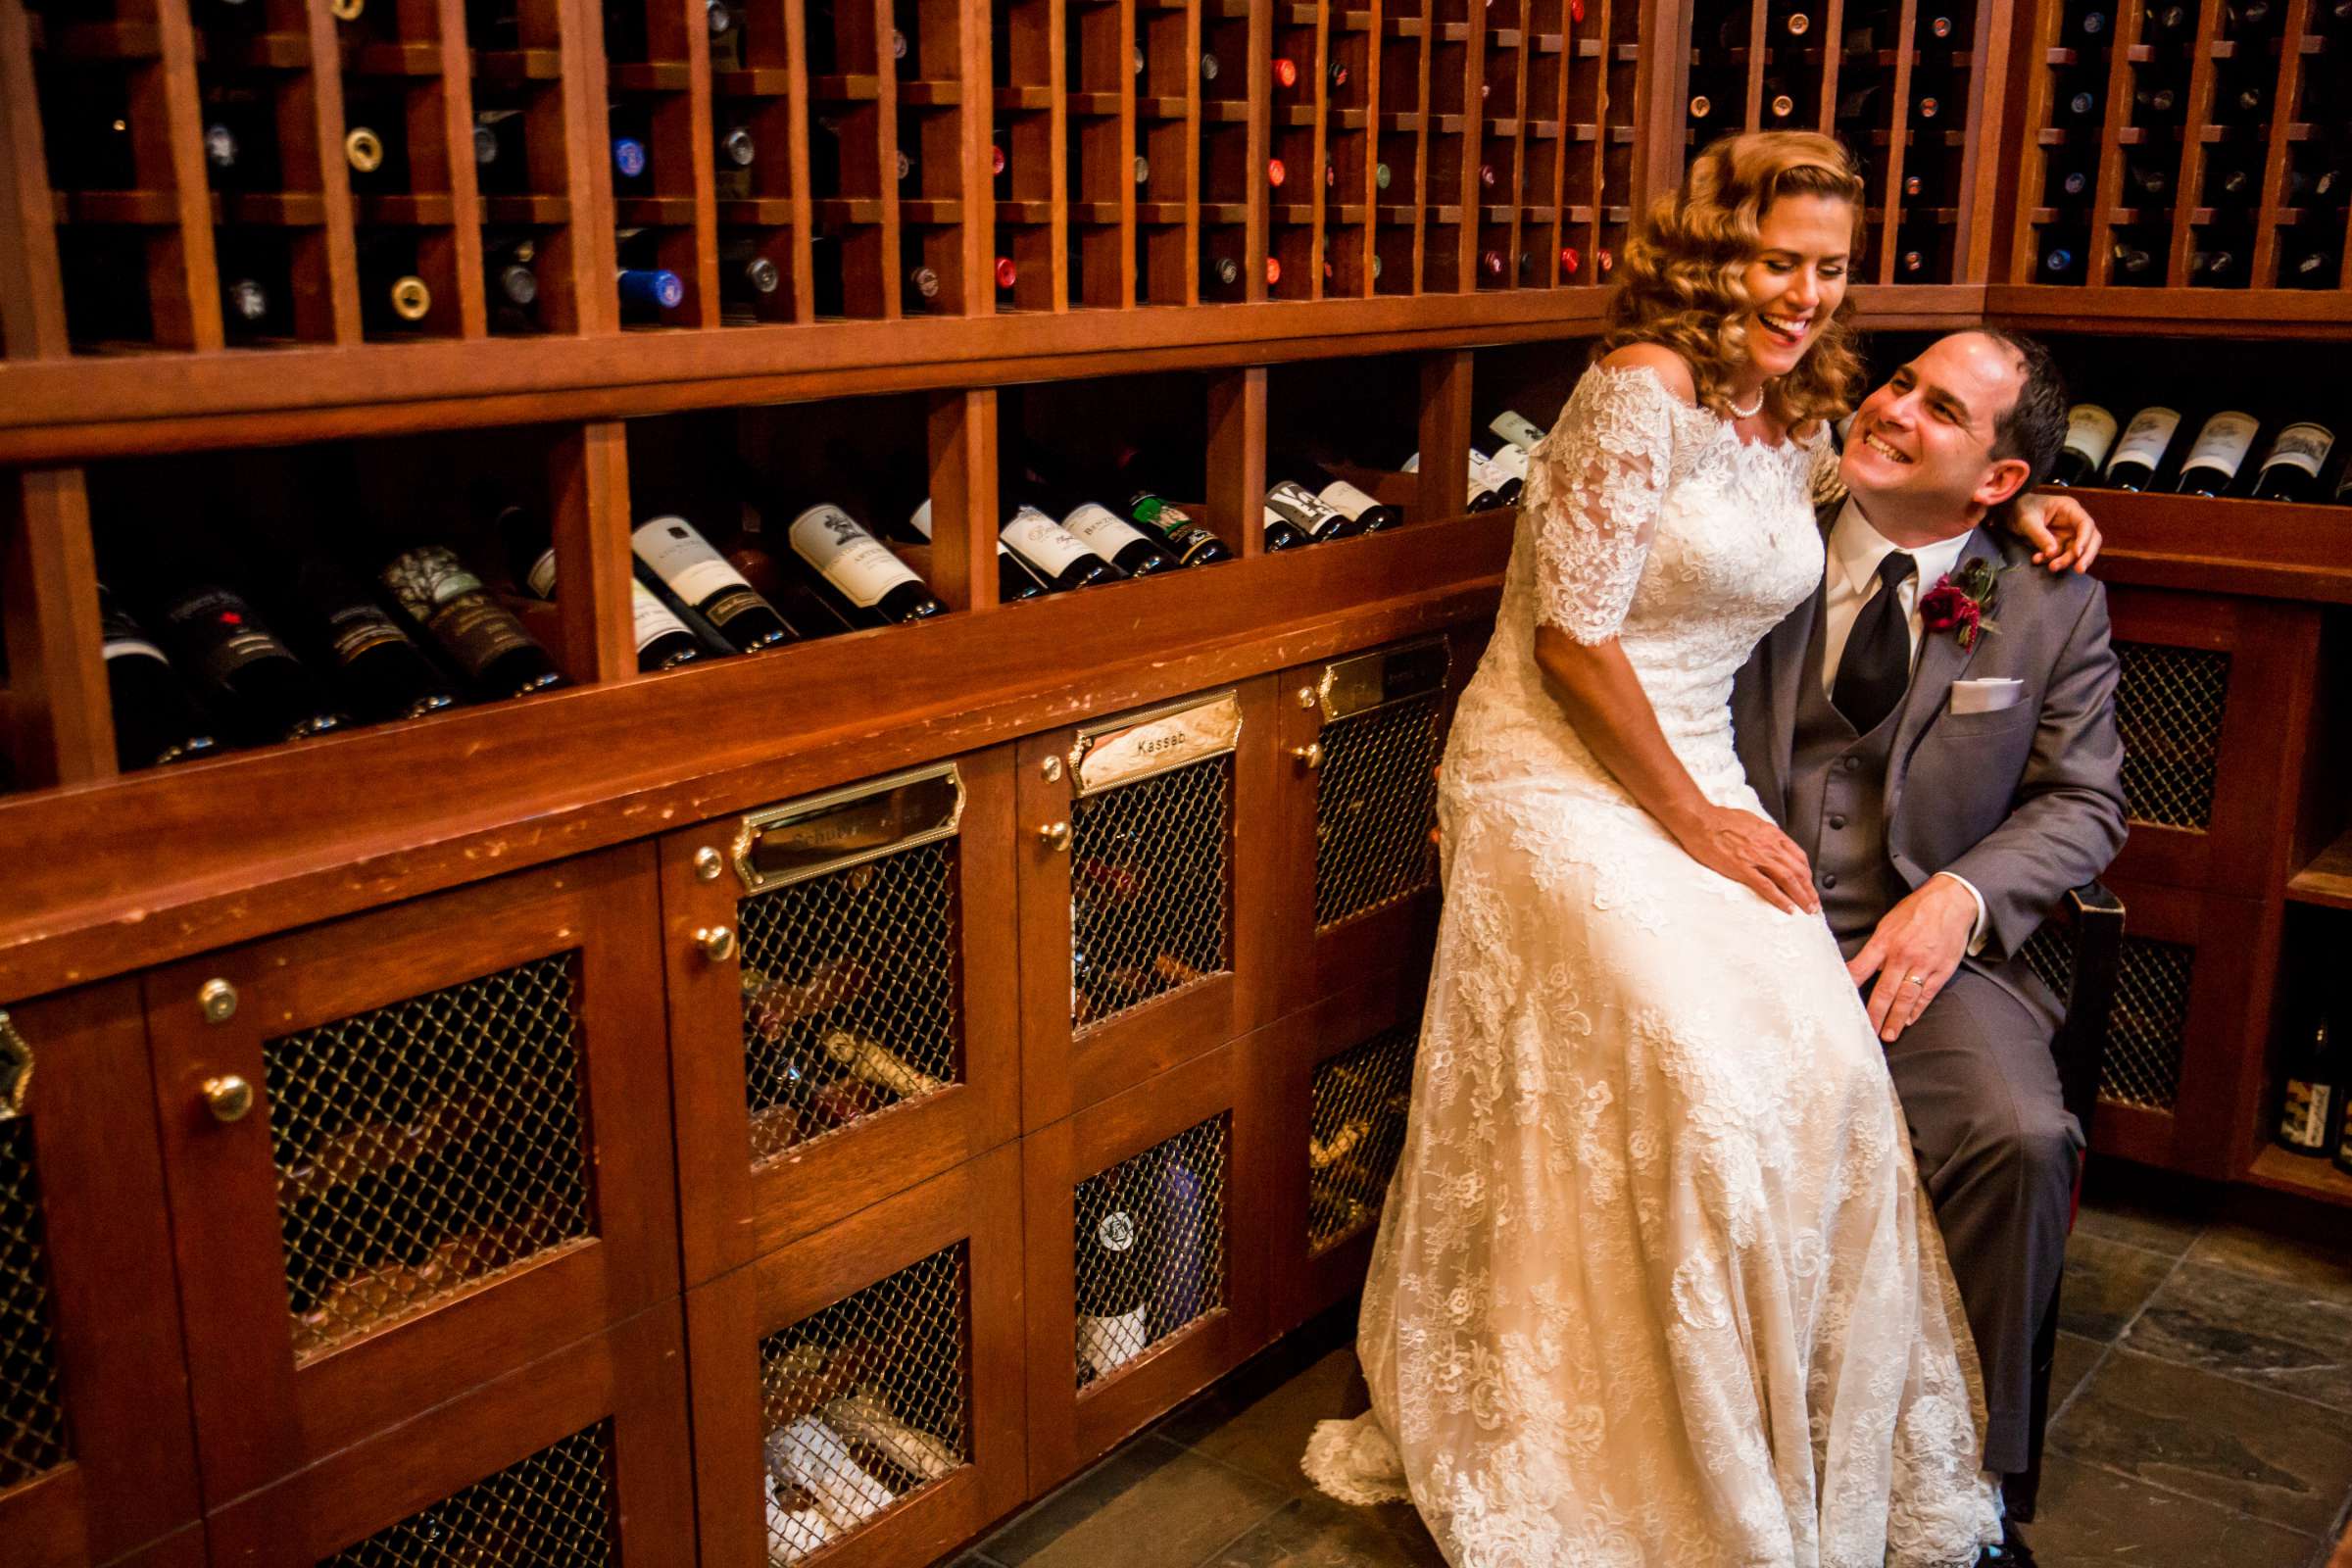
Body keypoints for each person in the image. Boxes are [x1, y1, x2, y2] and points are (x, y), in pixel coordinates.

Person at [1299, 131, 2103, 1567]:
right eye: (1776, 257)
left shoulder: (1798, 419)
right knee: (1700, 1073)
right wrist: (1690, 818)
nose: (1802, 292)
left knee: (1829, 1082)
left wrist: (2019, 509)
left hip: (1706, 788)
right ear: (1712, 250)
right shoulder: (1638, 390)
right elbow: (1569, 634)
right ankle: (1620, 1451)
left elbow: (1880, 495)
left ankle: (1791, 1437)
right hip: (1560, 773)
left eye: (1830, 269)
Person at [1730, 325, 2126, 1565]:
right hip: (1728, 928)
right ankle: (1734, 1460)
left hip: (1929, 953)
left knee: (2021, 1135)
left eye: (1941, 410)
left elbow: (2087, 800)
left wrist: (1959, 895)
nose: (1893, 409)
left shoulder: (2049, 591)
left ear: (2002, 481)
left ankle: (1970, 1498)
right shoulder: (1760, 527)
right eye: (1901, 381)